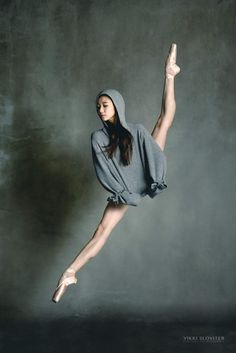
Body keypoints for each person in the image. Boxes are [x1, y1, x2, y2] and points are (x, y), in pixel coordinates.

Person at [52, 43, 180, 303]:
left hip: (147, 171)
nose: (100, 109)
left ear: (116, 105)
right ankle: (69, 273)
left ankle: (169, 75)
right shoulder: (97, 138)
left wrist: (169, 77)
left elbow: (166, 116)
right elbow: (104, 171)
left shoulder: (137, 132)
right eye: (98, 106)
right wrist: (123, 194)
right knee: (101, 231)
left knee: (162, 122)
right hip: (127, 189)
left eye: (105, 104)